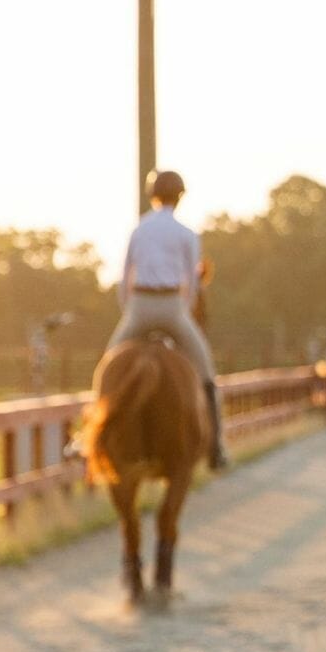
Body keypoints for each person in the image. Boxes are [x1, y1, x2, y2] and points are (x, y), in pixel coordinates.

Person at [109, 169, 230, 470]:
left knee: (107, 367)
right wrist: (182, 309)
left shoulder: (139, 229)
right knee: (206, 374)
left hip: (139, 306)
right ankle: (216, 446)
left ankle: (87, 440)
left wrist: (130, 310)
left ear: (153, 196)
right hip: (173, 308)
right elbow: (193, 281)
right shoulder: (187, 234)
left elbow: (124, 278)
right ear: (179, 198)